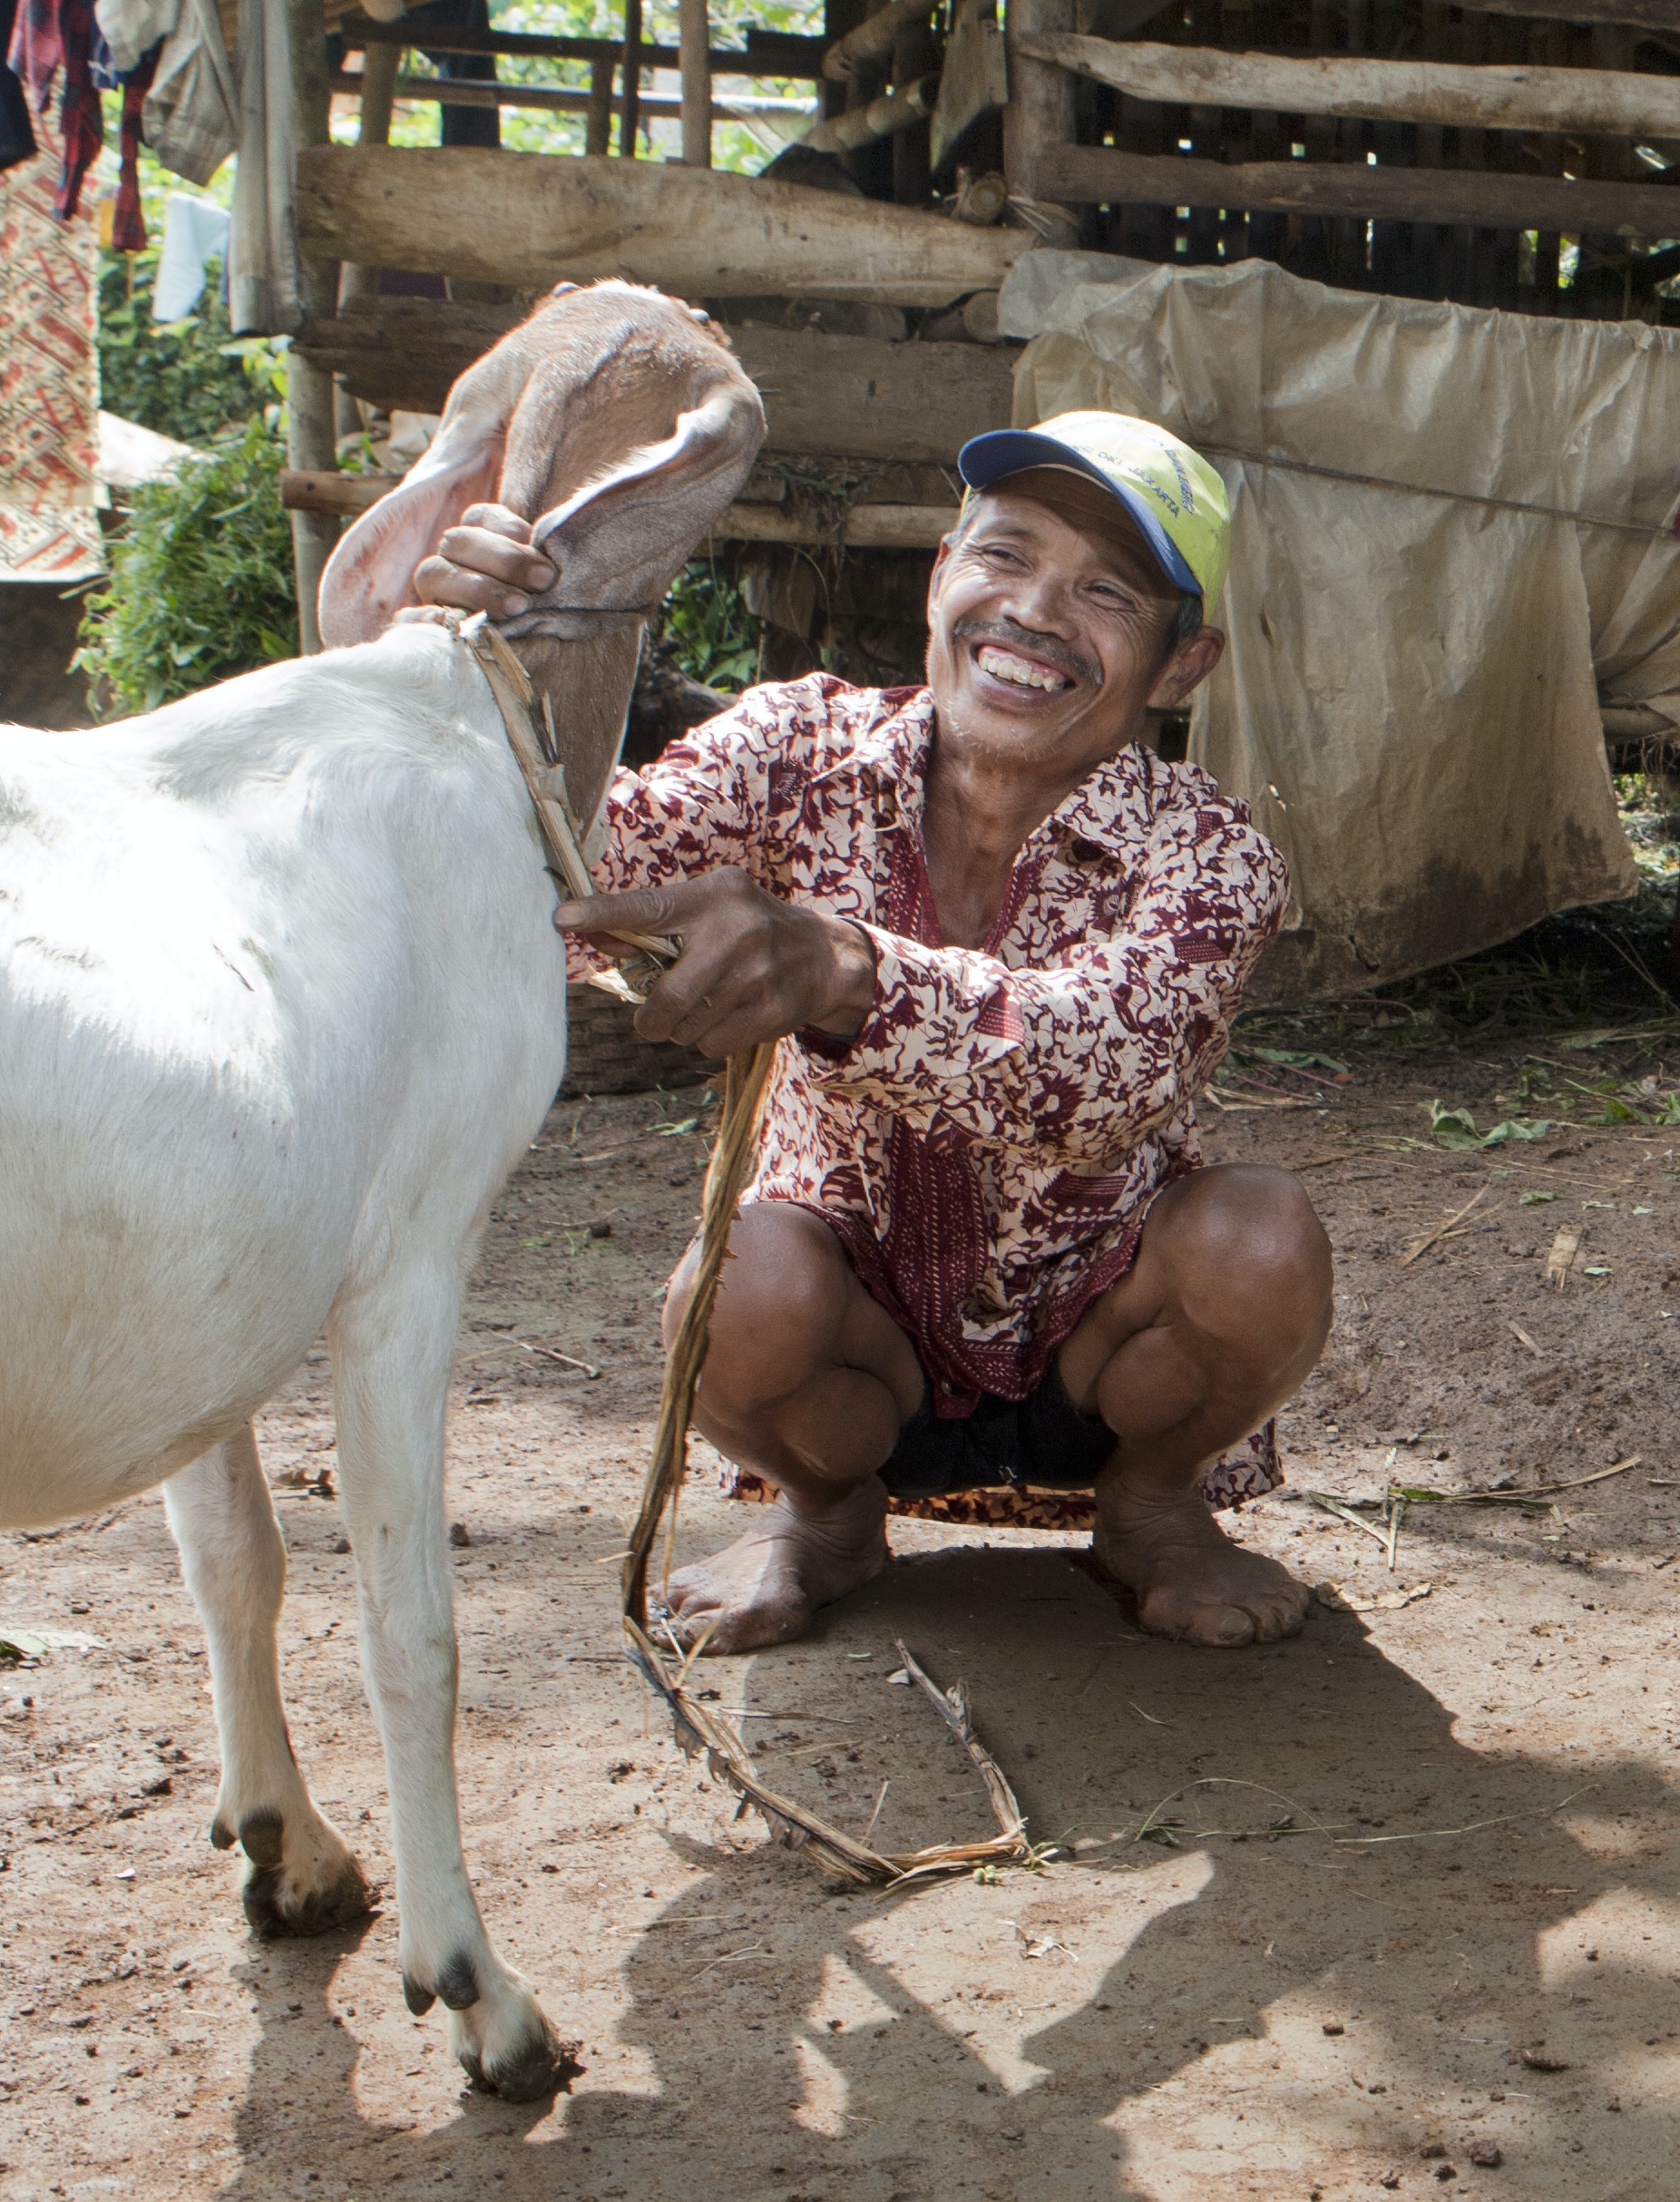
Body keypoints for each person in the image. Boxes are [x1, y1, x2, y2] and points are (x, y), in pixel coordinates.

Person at [409, 407, 1334, 1650]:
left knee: (1264, 1242)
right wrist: (478, 662)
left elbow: (1109, 1073)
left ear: (1181, 666)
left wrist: (845, 973)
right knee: (730, 1286)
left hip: (1101, 1344)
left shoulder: (1211, 853)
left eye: (1105, 590)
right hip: (851, 1346)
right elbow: (568, 875)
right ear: (942, 577)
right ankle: (825, 1515)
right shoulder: (795, 750)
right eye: (1004, 556)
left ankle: (1153, 1503)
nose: (1037, 612)